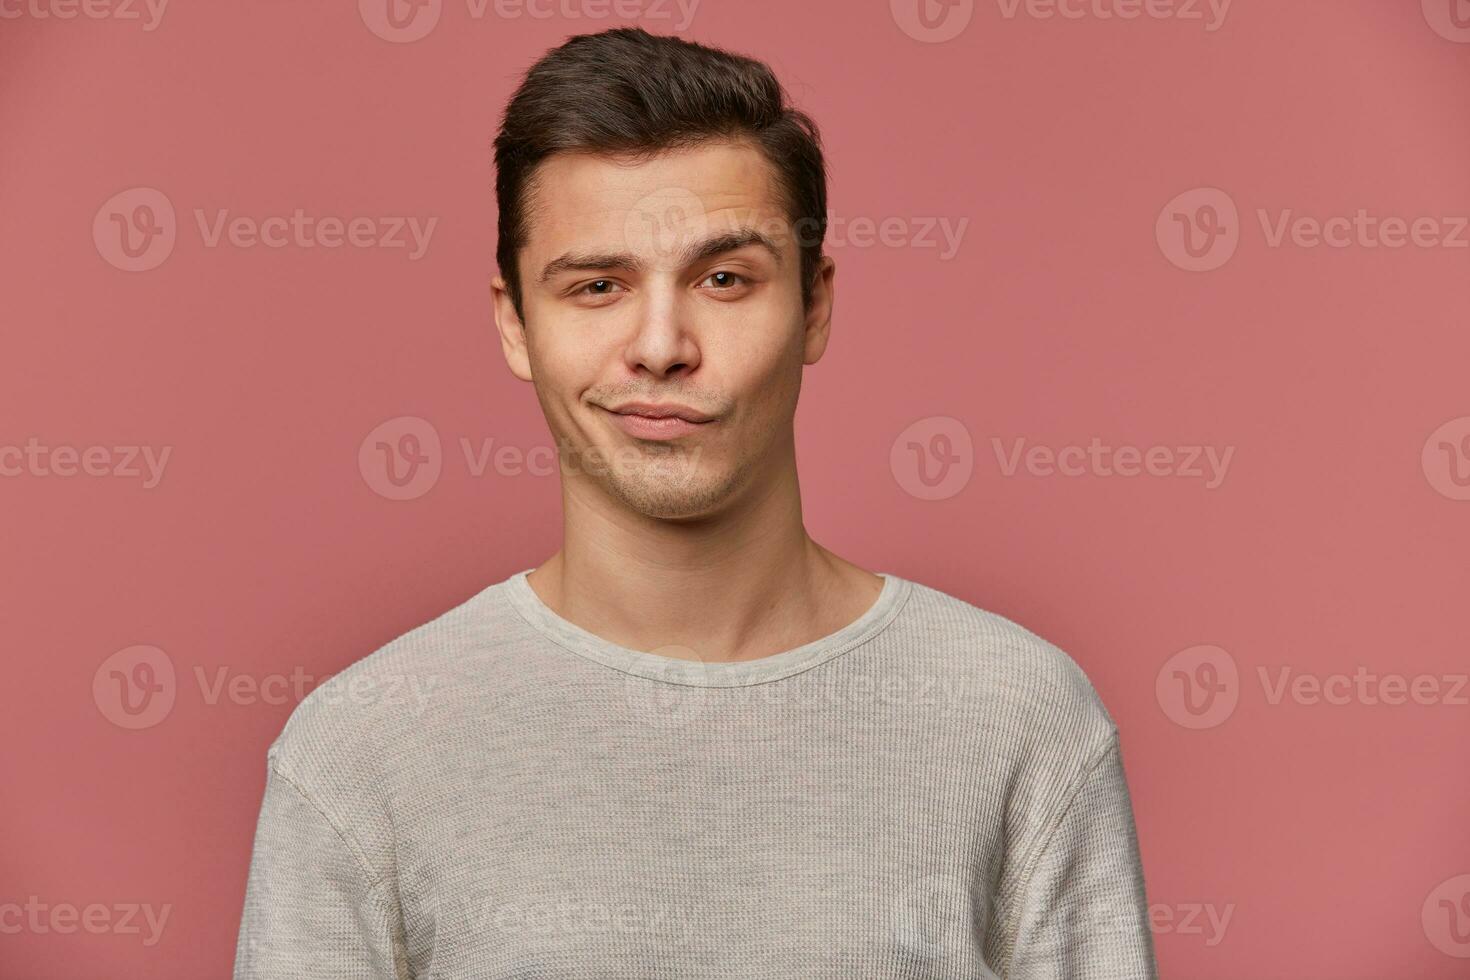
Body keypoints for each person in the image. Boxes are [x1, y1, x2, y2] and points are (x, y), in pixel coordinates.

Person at [233, 26, 1157, 979]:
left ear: (815, 306)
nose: (662, 345)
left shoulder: (1015, 717)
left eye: (724, 280)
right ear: (515, 323)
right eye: (598, 285)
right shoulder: (364, 751)